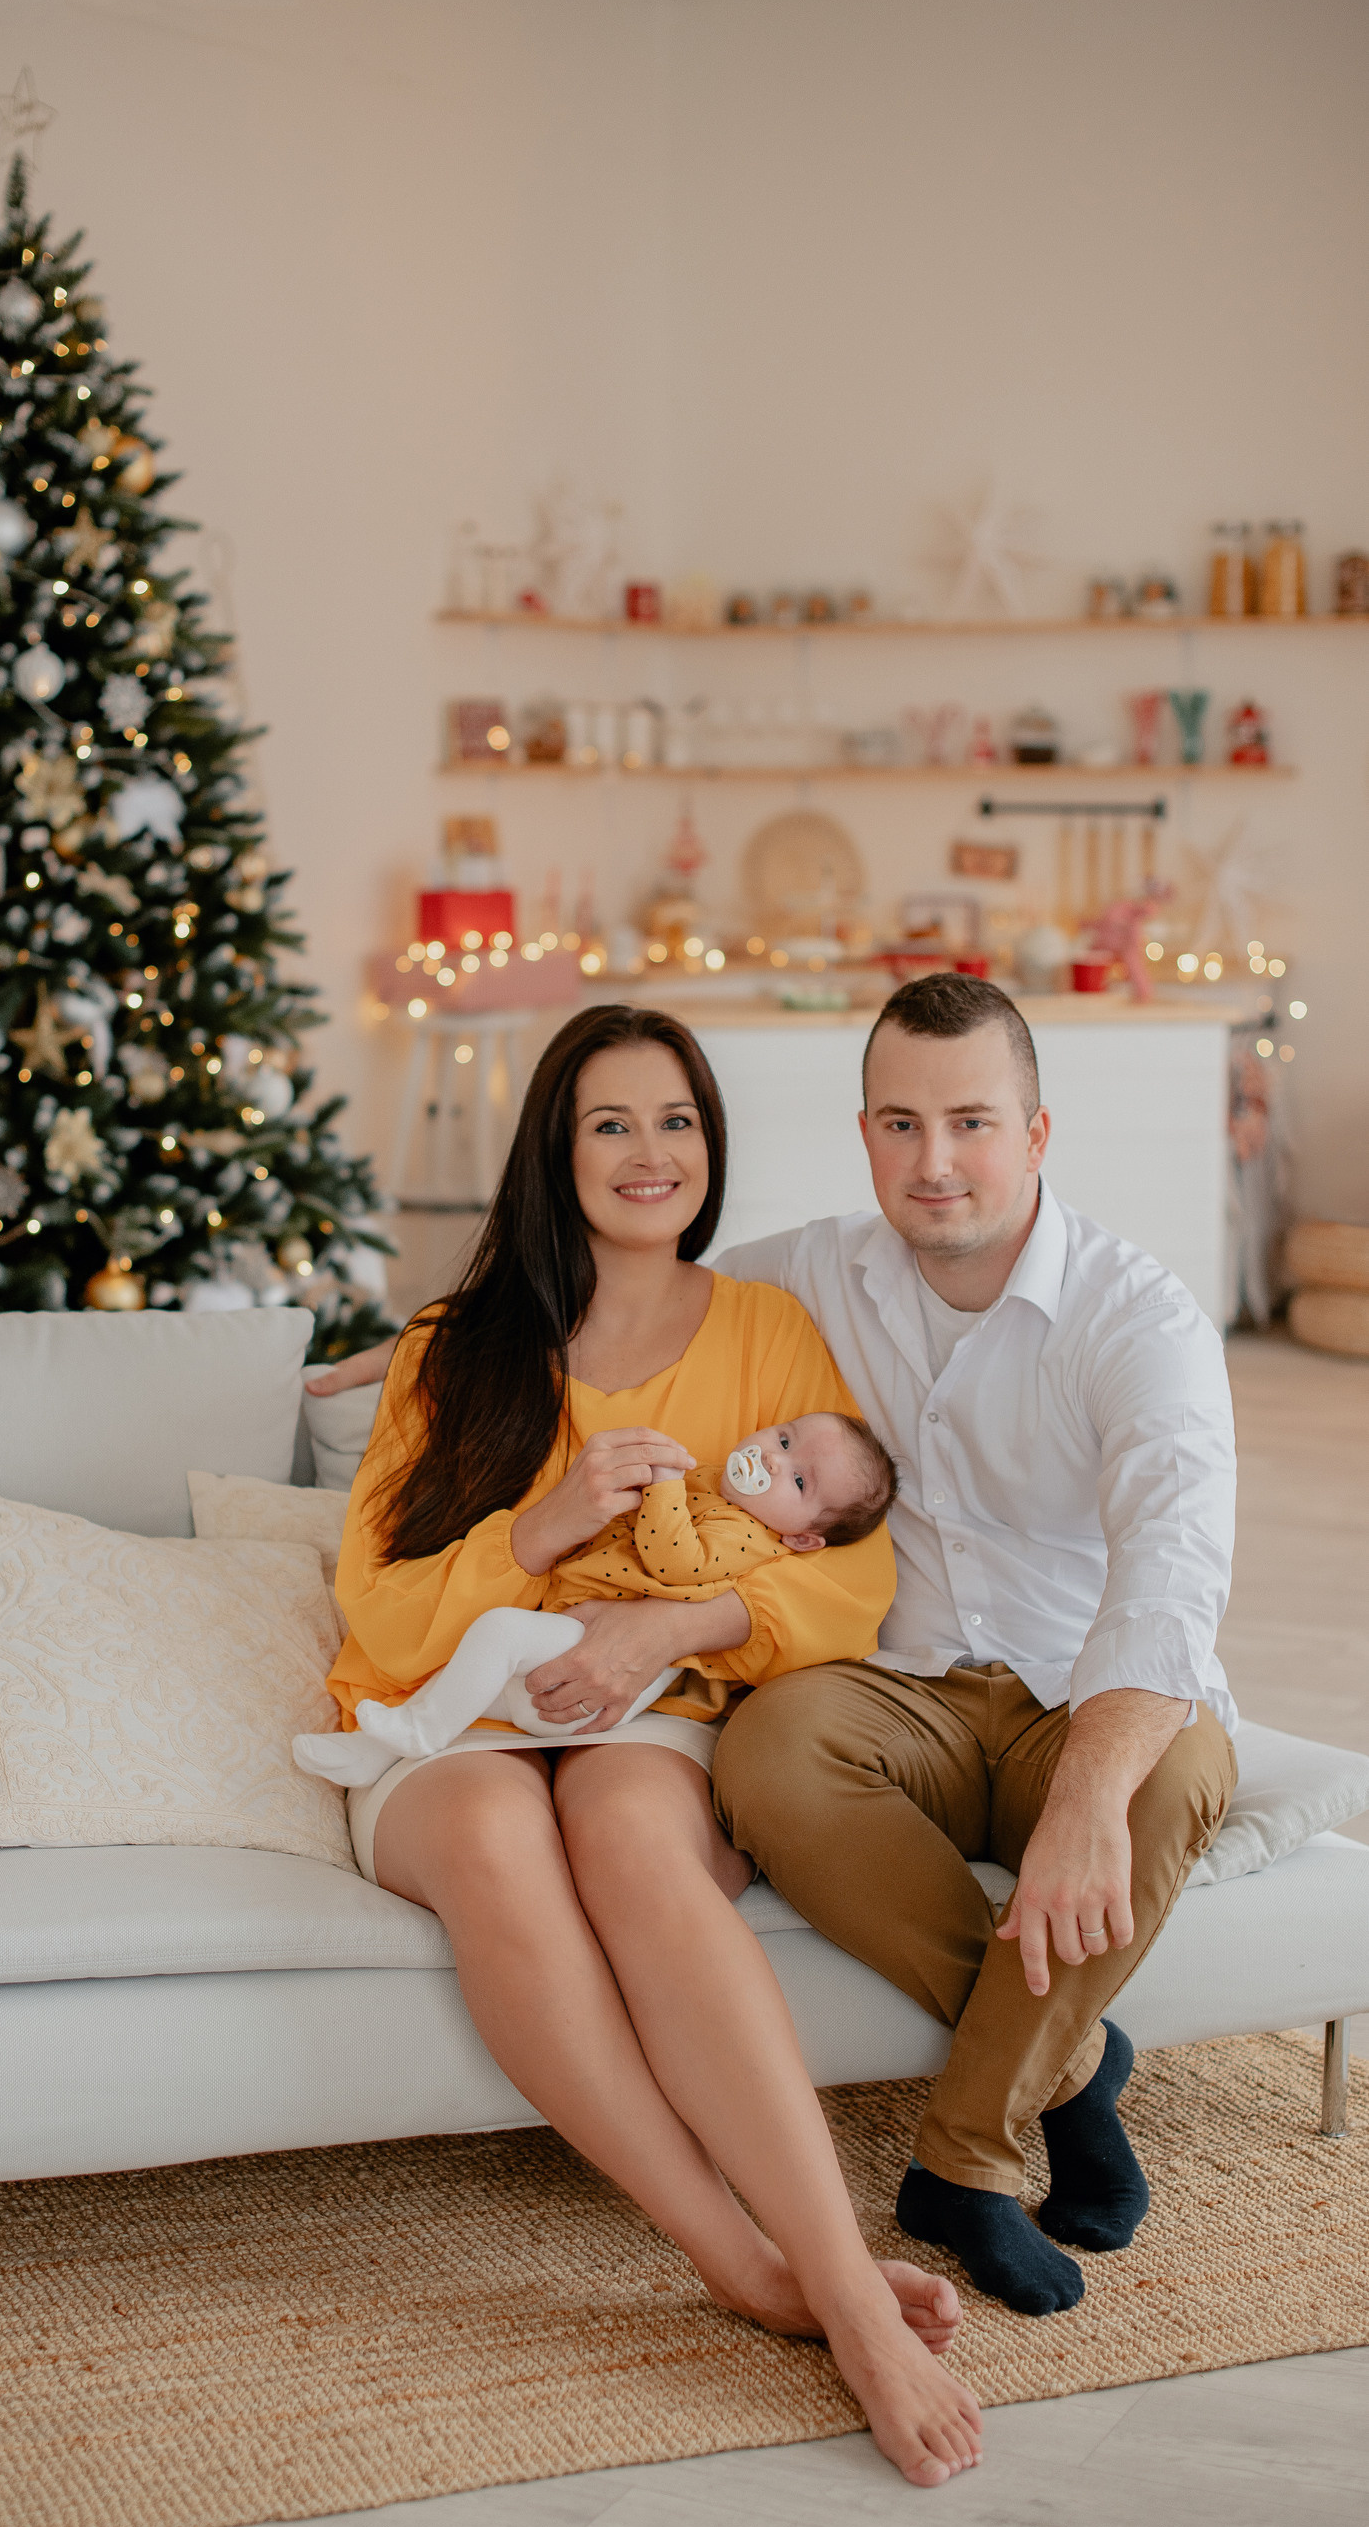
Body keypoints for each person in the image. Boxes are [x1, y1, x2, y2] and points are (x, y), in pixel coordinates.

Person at [310, 973, 1239, 2323]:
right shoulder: (799, 1275)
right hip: (807, 1701)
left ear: (1034, 1137)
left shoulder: (1119, 1318)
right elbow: (565, 1324)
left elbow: (1163, 1569)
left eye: (971, 1123)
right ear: (862, 1134)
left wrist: (1089, 1797)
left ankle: (965, 2153)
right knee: (758, 1760)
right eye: (903, 1126)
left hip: (1043, 1688)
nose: (934, 1163)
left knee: (1156, 1769)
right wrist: (434, 1364)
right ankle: (1044, 2072)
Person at [310, 1000, 984, 2487]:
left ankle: (844, 2284)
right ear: (555, 1152)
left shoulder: (760, 1330)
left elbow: (845, 1574)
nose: (648, 1151)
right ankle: (736, 2263)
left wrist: (666, 1631)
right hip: (438, 1718)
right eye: (609, 1122)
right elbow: (379, 1599)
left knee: (622, 1831)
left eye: (674, 1119)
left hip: (647, 1712)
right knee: (497, 1835)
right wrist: (532, 1533)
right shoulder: (450, 1347)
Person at [292, 1410, 897, 1783]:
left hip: (597, 1674)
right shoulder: (717, 1484)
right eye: (785, 1438)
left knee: (498, 1634)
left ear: (802, 1536)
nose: (770, 1457)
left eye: (795, 1479)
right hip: (570, 1656)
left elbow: (677, 1562)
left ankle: (419, 1735)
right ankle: (378, 1751)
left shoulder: (751, 1538)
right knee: (467, 1668)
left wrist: (660, 1489)